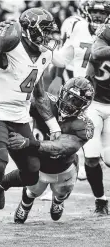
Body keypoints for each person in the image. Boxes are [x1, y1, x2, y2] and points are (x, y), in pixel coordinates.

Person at [0, 8, 61, 246]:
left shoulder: (44, 55)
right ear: (30, 32)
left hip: (20, 118)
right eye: (44, 32)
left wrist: (52, 125)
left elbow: (38, 94)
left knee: (32, 173)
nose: (48, 38)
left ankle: (1, 185)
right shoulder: (7, 47)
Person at [42, 0, 110, 199]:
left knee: (102, 154)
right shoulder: (76, 26)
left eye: (102, 12)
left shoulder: (105, 32)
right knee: (63, 138)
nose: (97, 16)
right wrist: (54, 74)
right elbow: (64, 57)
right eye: (94, 12)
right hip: (80, 95)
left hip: (100, 92)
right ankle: (53, 183)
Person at [4, 76, 95, 223]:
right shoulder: (46, 103)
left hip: (64, 168)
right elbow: (17, 105)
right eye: (69, 97)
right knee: (33, 192)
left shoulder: (83, 125)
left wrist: (29, 143)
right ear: (62, 92)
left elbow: (60, 147)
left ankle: (58, 202)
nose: (70, 104)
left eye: (77, 101)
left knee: (61, 193)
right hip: (39, 166)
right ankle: (25, 205)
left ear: (84, 105)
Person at [83, 22, 110, 216]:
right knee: (91, 156)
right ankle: (100, 200)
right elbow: (96, 53)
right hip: (95, 104)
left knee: (109, 158)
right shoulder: (105, 31)